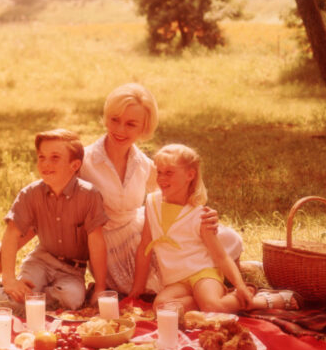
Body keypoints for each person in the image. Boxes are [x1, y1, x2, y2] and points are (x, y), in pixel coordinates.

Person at [78, 83, 243, 298]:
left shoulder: (144, 165)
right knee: (152, 286)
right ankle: (208, 285)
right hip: (107, 247)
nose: (120, 130)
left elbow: (174, 200)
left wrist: (202, 213)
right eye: (115, 120)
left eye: (131, 124)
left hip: (139, 230)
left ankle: (221, 279)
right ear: (106, 117)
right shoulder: (83, 160)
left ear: (143, 128)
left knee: (227, 237)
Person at [132, 144, 301, 312]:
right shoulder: (152, 203)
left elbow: (221, 257)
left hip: (203, 273)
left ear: (190, 175)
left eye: (169, 172)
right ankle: (217, 300)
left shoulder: (200, 216)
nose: (161, 178)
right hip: (176, 281)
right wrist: (137, 290)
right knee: (160, 307)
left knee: (212, 306)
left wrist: (240, 285)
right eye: (159, 172)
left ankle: (265, 300)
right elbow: (144, 247)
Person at [0, 129, 109, 310]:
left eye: (55, 158)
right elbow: (12, 234)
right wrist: (9, 280)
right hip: (41, 260)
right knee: (17, 295)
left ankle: (27, 299)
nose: (46, 163)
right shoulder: (30, 194)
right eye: (41, 157)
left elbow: (97, 243)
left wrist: (100, 287)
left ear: (74, 165)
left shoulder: (89, 195)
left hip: (72, 271)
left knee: (71, 299)